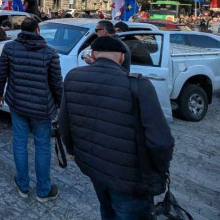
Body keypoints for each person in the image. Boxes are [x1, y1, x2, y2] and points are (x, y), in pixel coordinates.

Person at [59, 36, 174, 219]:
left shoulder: (73, 76)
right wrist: (159, 170)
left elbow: (64, 120)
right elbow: (161, 141)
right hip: (130, 177)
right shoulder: (137, 84)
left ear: (94, 55)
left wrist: (71, 149)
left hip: (93, 166)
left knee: (107, 211)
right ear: (122, 57)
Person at [0, 18, 62, 202]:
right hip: (42, 107)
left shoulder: (10, 48)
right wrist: (60, 103)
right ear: (38, 30)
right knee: (42, 146)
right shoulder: (50, 53)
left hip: (17, 103)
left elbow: (1, 73)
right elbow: (56, 83)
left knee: (19, 142)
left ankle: (23, 185)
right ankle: (43, 190)